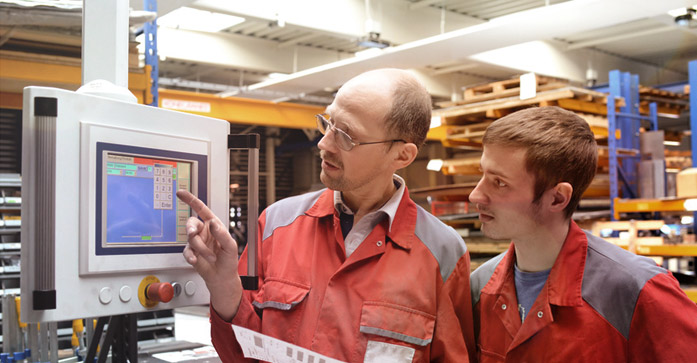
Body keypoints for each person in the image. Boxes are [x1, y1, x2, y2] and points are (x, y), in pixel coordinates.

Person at [177, 68, 476, 362]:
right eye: (328, 123)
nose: (324, 143)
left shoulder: (443, 253)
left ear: (402, 155)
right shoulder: (275, 225)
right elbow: (243, 354)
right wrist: (225, 288)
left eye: (346, 135)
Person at [468, 106, 697, 362]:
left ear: (557, 198)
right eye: (483, 175)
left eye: (500, 182)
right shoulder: (480, 288)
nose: (475, 195)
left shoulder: (637, 292)